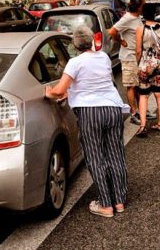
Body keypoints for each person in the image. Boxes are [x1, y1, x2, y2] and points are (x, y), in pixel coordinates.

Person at [45, 26, 129, 218]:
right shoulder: (104, 58)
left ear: (75, 44)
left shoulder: (74, 63)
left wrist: (49, 93)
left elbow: (59, 90)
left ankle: (105, 205)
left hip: (90, 112)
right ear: (92, 40)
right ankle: (119, 200)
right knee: (116, 154)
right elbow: (96, 81)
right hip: (113, 109)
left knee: (95, 157)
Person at [109, 0, 148, 124]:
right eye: (143, 4)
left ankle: (141, 110)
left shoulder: (137, 18)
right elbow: (112, 31)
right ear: (138, 6)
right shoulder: (127, 18)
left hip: (137, 56)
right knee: (131, 86)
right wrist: (121, 41)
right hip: (129, 57)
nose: (145, 6)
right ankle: (134, 113)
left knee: (138, 85)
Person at [134, 9, 160, 138]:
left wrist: (138, 64)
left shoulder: (141, 29)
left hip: (146, 65)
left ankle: (143, 126)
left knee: (143, 96)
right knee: (159, 94)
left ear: (143, 16)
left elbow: (138, 50)